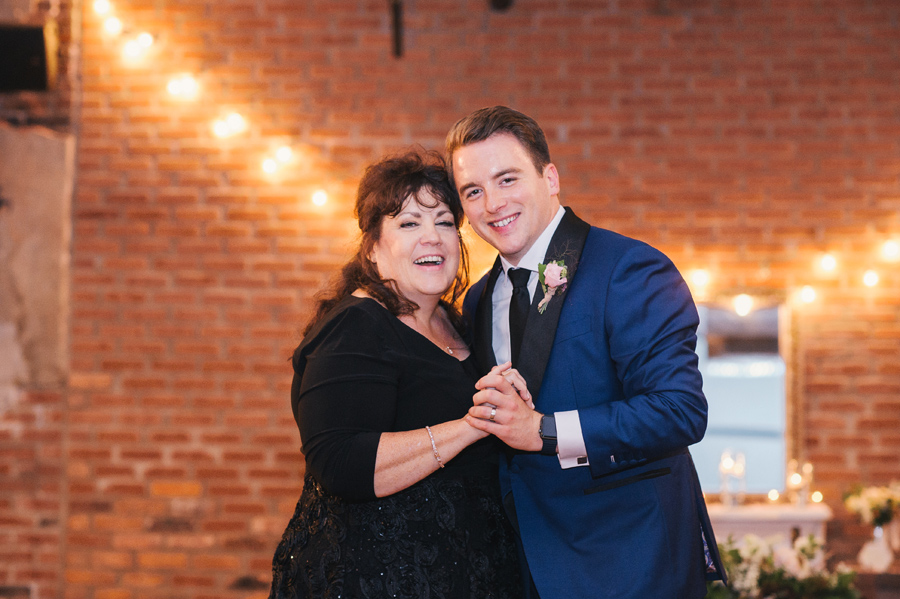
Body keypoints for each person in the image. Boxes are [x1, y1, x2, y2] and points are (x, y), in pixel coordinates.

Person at [445, 106, 727, 599]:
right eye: (473, 191)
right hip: (525, 564)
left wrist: (543, 430)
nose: (492, 204)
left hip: (631, 561)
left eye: (507, 179)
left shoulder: (630, 268)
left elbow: (680, 411)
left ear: (550, 177)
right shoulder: (478, 298)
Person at [268, 149, 525, 599]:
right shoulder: (357, 325)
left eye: (445, 222)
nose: (432, 238)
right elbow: (340, 462)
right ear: (372, 246)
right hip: (377, 576)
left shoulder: (460, 321)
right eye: (408, 223)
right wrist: (469, 427)